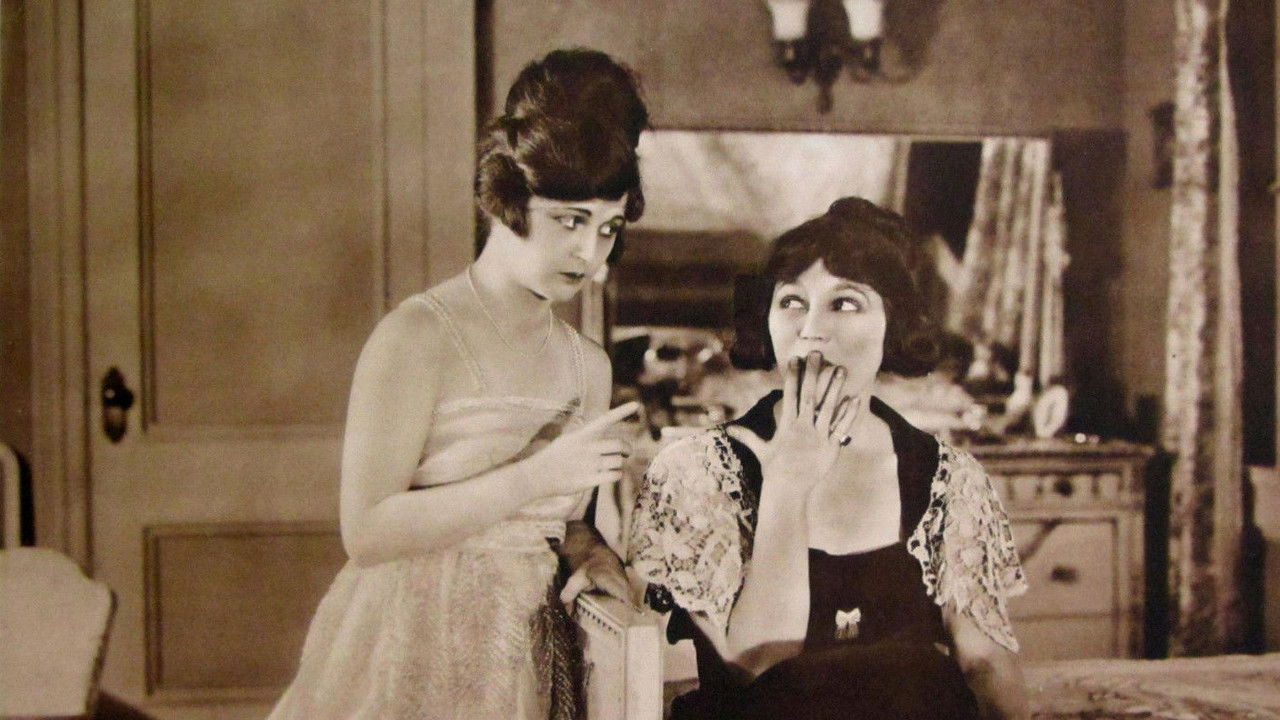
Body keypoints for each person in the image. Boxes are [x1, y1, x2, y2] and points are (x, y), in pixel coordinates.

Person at [269, 48, 647, 720]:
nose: (590, 254)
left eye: (607, 228)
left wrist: (596, 557)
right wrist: (537, 475)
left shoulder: (588, 365)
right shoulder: (417, 336)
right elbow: (367, 532)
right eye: (570, 221)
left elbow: (562, 529)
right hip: (409, 644)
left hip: (522, 662)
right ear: (511, 198)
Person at [628, 197, 1030, 720]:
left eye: (845, 303)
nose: (811, 329)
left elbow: (985, 664)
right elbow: (759, 664)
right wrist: (788, 482)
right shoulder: (697, 471)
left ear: (893, 324)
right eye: (792, 301)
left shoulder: (946, 478)